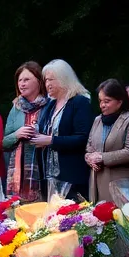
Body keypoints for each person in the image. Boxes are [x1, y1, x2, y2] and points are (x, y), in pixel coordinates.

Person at [32, 59, 92, 200]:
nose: (47, 84)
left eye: (51, 80)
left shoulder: (79, 102)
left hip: (72, 175)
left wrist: (51, 140)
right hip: (49, 175)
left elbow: (83, 138)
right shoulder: (50, 105)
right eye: (46, 80)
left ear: (64, 79)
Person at [85, 78, 129, 202]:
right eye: (100, 101)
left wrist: (102, 158)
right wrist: (88, 158)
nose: (102, 105)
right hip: (97, 183)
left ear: (119, 102)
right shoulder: (97, 120)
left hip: (120, 184)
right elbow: (89, 148)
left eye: (107, 101)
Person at [2, 61, 49, 201]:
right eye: (19, 80)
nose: (22, 84)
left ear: (39, 81)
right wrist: (17, 135)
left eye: (26, 79)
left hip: (44, 167)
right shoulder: (16, 107)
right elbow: (4, 142)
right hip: (18, 172)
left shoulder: (49, 105)